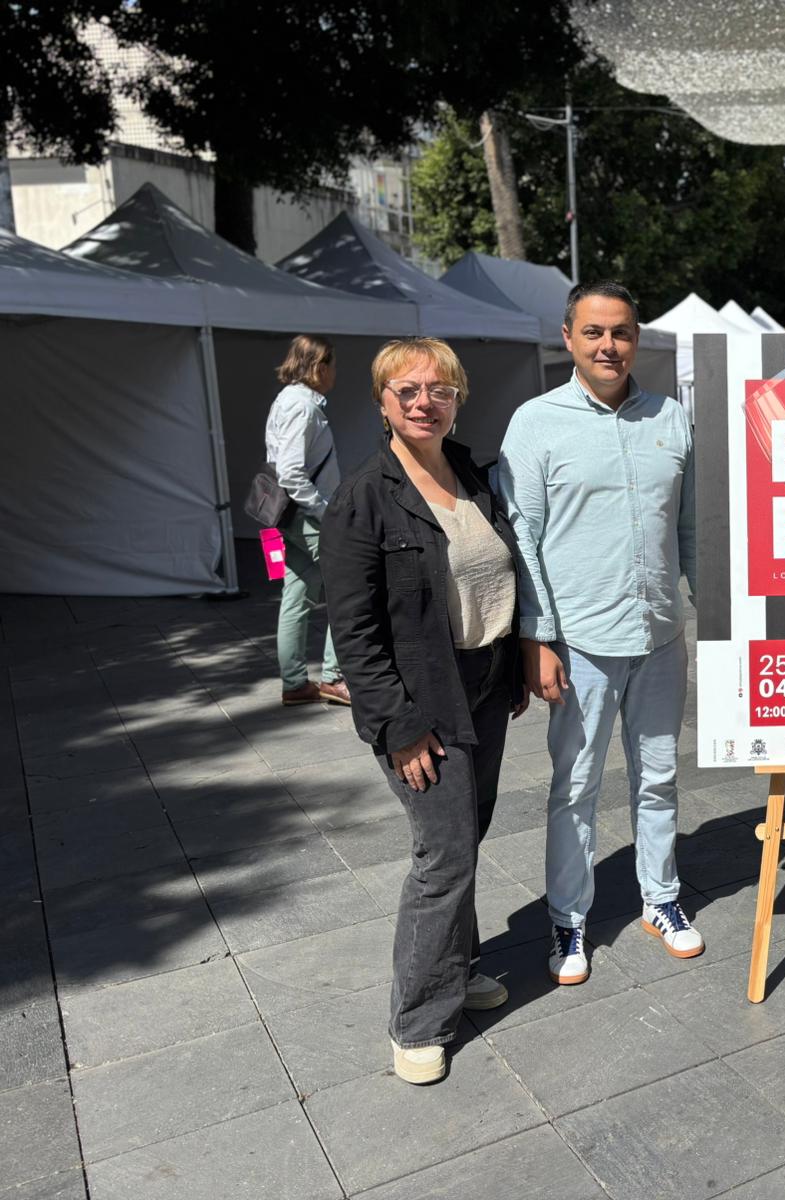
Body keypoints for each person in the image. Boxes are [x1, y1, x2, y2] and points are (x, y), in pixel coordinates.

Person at [322, 337, 529, 1085]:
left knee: (466, 838)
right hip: (420, 701)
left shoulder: (472, 474)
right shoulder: (364, 496)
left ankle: (456, 966)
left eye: (438, 390)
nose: (422, 401)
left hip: (482, 681)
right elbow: (354, 632)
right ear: (381, 402)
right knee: (442, 855)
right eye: (405, 390)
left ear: (457, 397)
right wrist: (398, 725)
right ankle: (418, 1018)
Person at [498, 279, 699, 988]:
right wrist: (535, 638)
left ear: (636, 339)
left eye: (620, 332)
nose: (608, 345)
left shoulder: (671, 420)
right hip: (578, 643)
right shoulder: (535, 423)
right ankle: (569, 915)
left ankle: (661, 899)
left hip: (659, 635)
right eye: (594, 332)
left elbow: (690, 527)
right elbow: (521, 537)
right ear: (568, 338)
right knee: (575, 787)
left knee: (661, 779)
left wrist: (713, 609)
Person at [266, 334, 350, 706]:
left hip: (288, 515)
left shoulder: (286, 400)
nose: (334, 373)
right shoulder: (303, 406)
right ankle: (334, 676)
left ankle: (295, 683)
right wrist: (325, 510)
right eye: (332, 365)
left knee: (296, 593)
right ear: (319, 367)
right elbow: (291, 472)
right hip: (309, 515)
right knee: (349, 589)